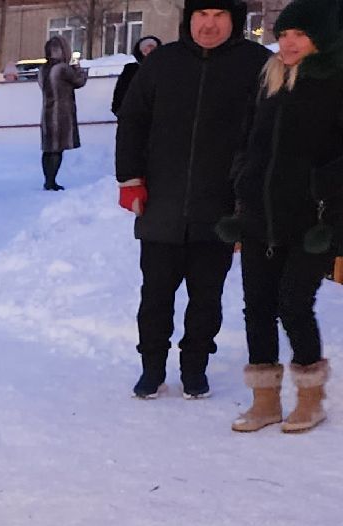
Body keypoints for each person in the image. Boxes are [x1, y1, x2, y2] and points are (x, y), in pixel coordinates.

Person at [217, 0, 343, 434]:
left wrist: (320, 182)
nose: (289, 43)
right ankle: (265, 402)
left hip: (313, 220)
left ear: (321, 39)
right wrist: (243, 178)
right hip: (259, 214)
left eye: (300, 35)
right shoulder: (270, 79)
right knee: (257, 307)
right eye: (284, 34)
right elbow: (246, 140)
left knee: (293, 304)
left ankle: (310, 400)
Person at [115, 0, 271, 400]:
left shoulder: (256, 64)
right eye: (202, 14)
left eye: (219, 15)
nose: (209, 24)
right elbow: (132, 121)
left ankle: (195, 368)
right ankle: (152, 368)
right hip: (162, 204)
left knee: (206, 297)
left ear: (235, 20)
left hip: (220, 206)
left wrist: (250, 198)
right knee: (155, 296)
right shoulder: (162, 63)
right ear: (190, 19)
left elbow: (268, 133)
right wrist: (130, 180)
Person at [39, 37, 88, 190]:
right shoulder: (62, 68)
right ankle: (51, 182)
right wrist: (78, 68)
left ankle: (48, 180)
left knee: (48, 149)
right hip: (61, 114)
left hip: (47, 112)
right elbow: (79, 81)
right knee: (57, 148)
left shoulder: (43, 69)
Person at [111, 34, 165, 115]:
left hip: (158, 113)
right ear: (140, 51)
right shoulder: (131, 69)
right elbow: (121, 90)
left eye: (152, 48)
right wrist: (118, 108)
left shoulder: (163, 68)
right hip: (134, 112)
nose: (149, 51)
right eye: (146, 49)